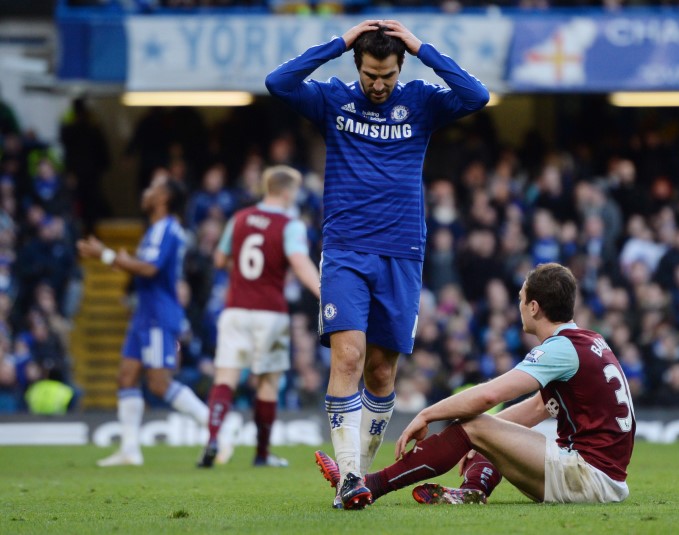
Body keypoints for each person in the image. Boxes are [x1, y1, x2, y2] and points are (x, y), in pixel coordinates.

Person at [265, 19, 489, 510]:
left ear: (400, 65)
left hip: (403, 252)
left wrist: (424, 48)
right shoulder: (332, 100)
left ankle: (358, 474)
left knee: (383, 374)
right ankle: (350, 477)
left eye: (387, 74)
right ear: (357, 65)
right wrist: (339, 42)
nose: (378, 84)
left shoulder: (422, 102)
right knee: (348, 357)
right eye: (370, 74)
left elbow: (477, 95)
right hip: (346, 249)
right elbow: (278, 83)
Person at [316, 263, 636, 506]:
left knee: (477, 424)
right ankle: (472, 491)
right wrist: (479, 440)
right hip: (600, 478)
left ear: (534, 307)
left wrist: (428, 414)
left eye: (522, 299)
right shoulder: (589, 340)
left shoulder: (561, 348)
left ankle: (370, 484)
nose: (519, 305)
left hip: (589, 477)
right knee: (485, 429)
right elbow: (540, 407)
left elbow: (490, 395)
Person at [77, 171, 209, 466]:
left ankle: (212, 424)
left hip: (159, 315)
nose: (146, 192)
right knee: (125, 376)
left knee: (159, 384)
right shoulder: (156, 229)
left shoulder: (166, 228)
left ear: (163, 198)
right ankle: (130, 450)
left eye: (153, 187)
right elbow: (145, 268)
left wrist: (107, 256)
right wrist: (122, 261)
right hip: (145, 314)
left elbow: (149, 269)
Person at [197, 165, 321, 468]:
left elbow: (220, 258)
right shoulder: (289, 224)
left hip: (236, 308)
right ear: (288, 191)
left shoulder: (238, 219)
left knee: (224, 377)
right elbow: (299, 261)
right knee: (268, 383)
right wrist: (324, 292)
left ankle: (212, 438)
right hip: (270, 312)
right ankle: (262, 454)